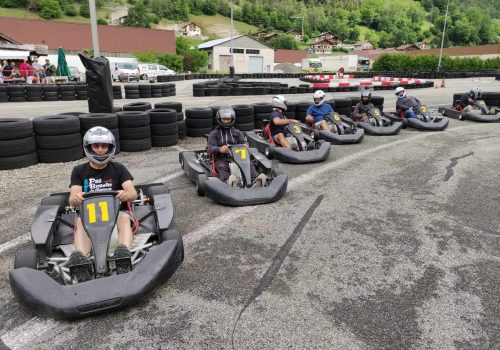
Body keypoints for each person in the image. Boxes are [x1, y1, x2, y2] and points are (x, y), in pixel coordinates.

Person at [68, 126, 137, 282]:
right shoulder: (79, 171)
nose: (100, 150)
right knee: (80, 221)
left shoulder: (118, 168)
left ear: (110, 148)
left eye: (104, 146)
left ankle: (123, 256)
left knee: (124, 217)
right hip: (90, 215)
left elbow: (133, 193)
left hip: (115, 213)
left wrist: (126, 194)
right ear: (89, 147)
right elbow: (72, 199)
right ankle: (83, 262)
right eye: (96, 146)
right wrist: (76, 198)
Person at [207, 106, 267, 187]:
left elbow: (244, 142)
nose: (225, 121)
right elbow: (210, 148)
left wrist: (246, 145)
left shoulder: (237, 132)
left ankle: (254, 181)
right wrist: (219, 149)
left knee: (249, 164)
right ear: (219, 119)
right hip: (222, 158)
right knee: (222, 166)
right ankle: (228, 182)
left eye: (228, 119)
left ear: (232, 119)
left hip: (239, 157)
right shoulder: (214, 134)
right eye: (223, 119)